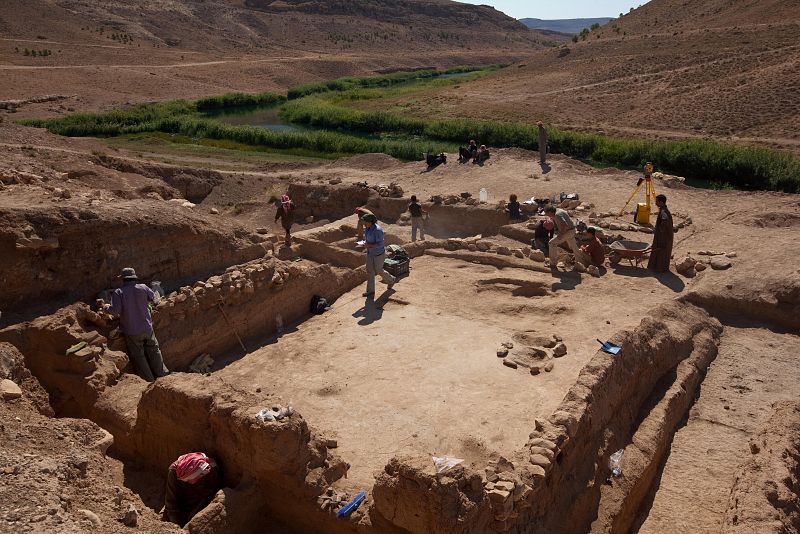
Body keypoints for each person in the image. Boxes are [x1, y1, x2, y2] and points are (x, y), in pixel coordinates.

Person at [100, 267, 169, 382]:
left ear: (123, 279)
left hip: (131, 331)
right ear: (134, 278)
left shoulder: (119, 292)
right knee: (154, 351)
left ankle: (149, 380)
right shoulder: (143, 287)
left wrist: (105, 307)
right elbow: (154, 299)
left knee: (139, 357)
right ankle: (163, 374)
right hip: (147, 327)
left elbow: (114, 311)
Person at [164, 452, 221, 527]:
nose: (204, 474)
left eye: (202, 476)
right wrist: (177, 526)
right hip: (181, 505)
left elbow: (210, 494)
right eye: (198, 477)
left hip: (200, 505)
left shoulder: (210, 468)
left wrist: (194, 516)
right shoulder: (174, 472)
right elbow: (171, 502)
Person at [357, 213, 396, 296]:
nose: (364, 224)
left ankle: (391, 280)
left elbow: (380, 244)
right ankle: (370, 291)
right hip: (370, 253)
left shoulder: (378, 230)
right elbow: (367, 240)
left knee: (379, 270)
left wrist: (369, 245)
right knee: (370, 271)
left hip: (378, 254)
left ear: (371, 222)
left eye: (365, 222)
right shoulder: (367, 229)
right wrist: (363, 243)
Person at [545, 206, 580, 270]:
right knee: (573, 246)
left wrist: (560, 234)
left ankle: (552, 263)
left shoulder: (557, 215)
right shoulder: (559, 210)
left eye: (547, 213)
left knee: (552, 243)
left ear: (550, 212)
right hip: (572, 230)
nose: (547, 215)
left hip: (567, 231)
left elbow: (564, 224)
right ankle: (580, 262)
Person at [647, 194, 674, 272]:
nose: (655, 203)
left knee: (661, 252)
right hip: (665, 237)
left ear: (661, 202)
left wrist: (661, 230)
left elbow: (665, 220)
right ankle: (659, 268)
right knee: (661, 252)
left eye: (657, 201)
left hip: (663, 238)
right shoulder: (663, 210)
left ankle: (659, 269)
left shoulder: (663, 212)